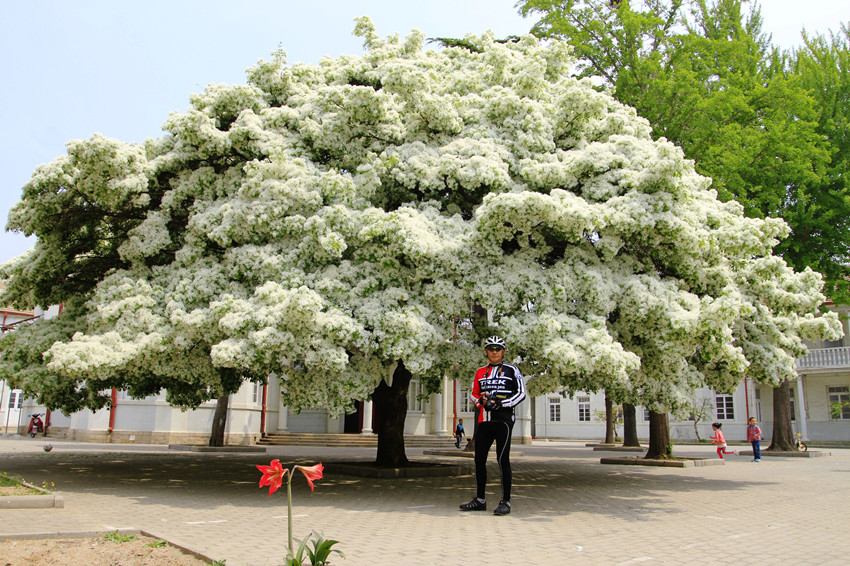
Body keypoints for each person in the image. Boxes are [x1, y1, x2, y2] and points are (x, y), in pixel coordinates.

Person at [459, 336, 526, 516]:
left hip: (503, 421)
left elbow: (521, 394)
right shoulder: (480, 371)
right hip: (484, 421)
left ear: (503, 351)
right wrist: (481, 401)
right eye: (491, 348)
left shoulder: (512, 370)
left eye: (498, 348)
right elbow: (473, 394)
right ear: (486, 351)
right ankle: (480, 499)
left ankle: (506, 501)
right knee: (479, 460)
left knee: (502, 460)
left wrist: (501, 403)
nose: (494, 351)